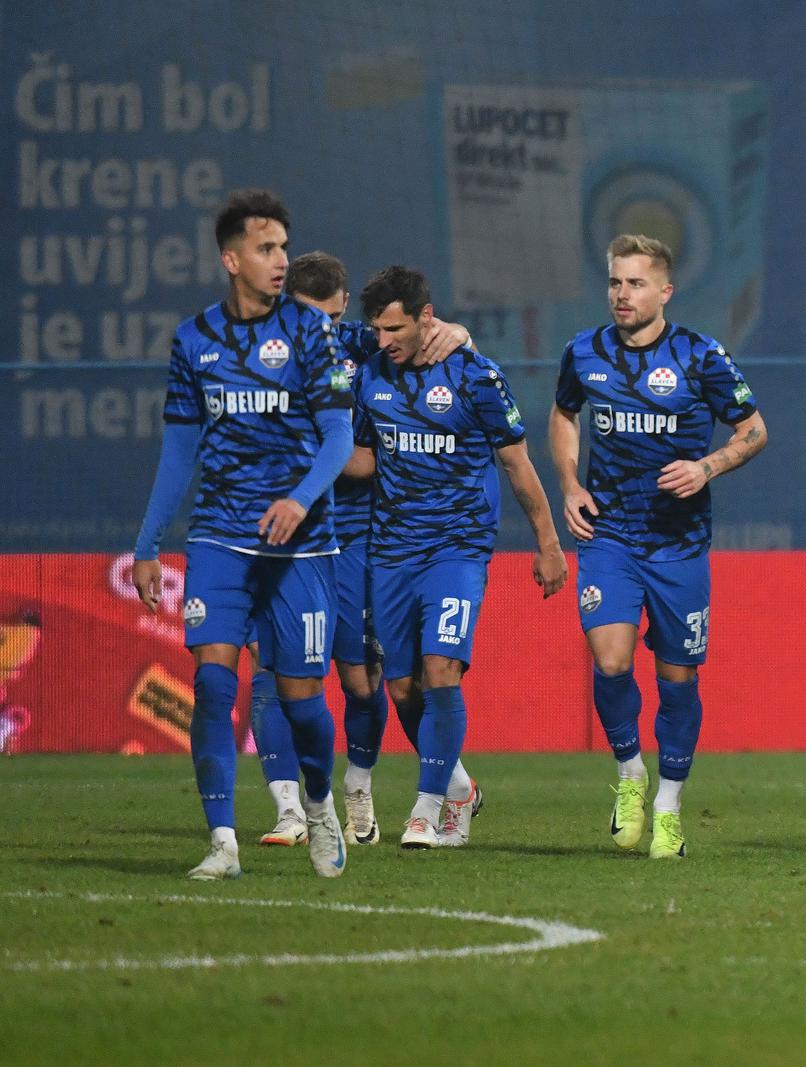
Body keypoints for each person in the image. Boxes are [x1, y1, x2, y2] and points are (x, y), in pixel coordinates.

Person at [131, 189, 354, 880]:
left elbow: (340, 433)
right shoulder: (193, 339)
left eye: (284, 246)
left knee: (301, 700)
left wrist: (299, 498)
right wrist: (146, 543)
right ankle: (222, 840)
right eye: (266, 248)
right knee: (213, 683)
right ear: (231, 259)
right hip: (221, 536)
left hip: (302, 542)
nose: (281, 259)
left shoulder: (313, 333)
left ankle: (319, 805)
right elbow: (179, 450)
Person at [247, 253, 477, 848]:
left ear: (342, 309)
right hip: (275, 535)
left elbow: (431, 335)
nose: (316, 333)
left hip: (351, 535)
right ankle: (289, 811)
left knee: (363, 680)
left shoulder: (360, 345)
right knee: (269, 670)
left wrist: (458, 331)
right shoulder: (252, 352)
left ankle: (361, 789)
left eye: (326, 319)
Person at [549, 234, 767, 860]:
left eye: (636, 283)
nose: (622, 294)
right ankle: (629, 774)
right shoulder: (583, 353)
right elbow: (565, 414)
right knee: (611, 661)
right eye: (616, 282)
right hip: (610, 536)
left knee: (677, 677)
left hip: (679, 546)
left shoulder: (701, 356)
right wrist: (568, 483)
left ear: (665, 291)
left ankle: (669, 804)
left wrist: (708, 466)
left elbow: (753, 430)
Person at [348, 266, 566, 849]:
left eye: (395, 328)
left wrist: (548, 544)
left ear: (425, 317)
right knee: (400, 689)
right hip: (390, 550)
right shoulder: (370, 375)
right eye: (377, 329)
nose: (385, 339)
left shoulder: (476, 376)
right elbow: (366, 460)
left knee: (442, 669)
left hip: (457, 548)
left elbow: (517, 464)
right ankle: (460, 787)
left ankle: (426, 808)